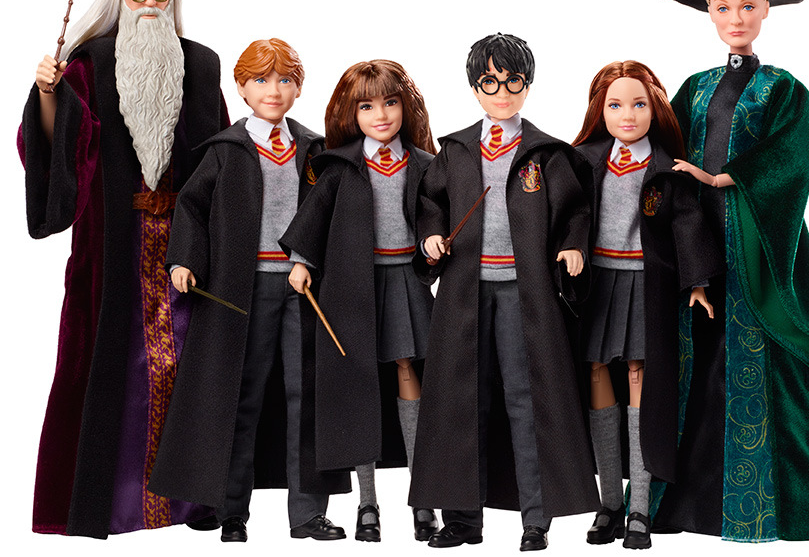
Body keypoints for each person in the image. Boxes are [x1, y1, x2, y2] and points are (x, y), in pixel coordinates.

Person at [17, 0, 228, 538]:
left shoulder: (201, 64)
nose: (151, 1)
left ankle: (193, 502)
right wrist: (49, 94)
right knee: (113, 367)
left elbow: (221, 154)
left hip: (187, 244)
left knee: (190, 367)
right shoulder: (87, 65)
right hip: (112, 246)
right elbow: (62, 147)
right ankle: (110, 505)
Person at [652, 0, 809, 541]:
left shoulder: (784, 89)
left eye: (746, 6)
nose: (735, 19)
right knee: (695, 360)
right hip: (695, 240)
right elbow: (663, 149)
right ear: (708, 12)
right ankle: (680, 507)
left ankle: (776, 507)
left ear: (766, 8)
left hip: (757, 240)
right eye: (722, 8)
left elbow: (792, 157)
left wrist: (725, 178)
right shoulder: (695, 86)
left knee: (765, 362)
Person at [147, 39, 349, 543]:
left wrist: (305, 259)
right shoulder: (227, 149)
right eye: (260, 80)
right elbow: (192, 206)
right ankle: (231, 508)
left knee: (307, 397)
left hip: (302, 288)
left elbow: (326, 214)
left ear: (298, 88)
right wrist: (184, 259)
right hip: (241, 289)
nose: (273, 91)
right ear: (241, 87)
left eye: (284, 80)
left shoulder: (313, 150)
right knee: (239, 395)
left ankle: (307, 514)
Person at [407, 33, 599, 552]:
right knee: (459, 402)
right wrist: (430, 237)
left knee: (528, 400)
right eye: (490, 82)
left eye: (513, 81)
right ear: (475, 88)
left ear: (527, 85)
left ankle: (536, 519)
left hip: (525, 292)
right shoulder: (455, 149)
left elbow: (575, 209)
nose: (503, 92)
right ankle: (462, 521)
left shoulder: (545, 153)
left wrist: (573, 244)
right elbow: (430, 203)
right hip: (464, 293)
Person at [281, 59, 439, 542]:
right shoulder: (339, 166)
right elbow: (314, 218)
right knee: (359, 388)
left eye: (391, 102)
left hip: (406, 281)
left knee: (410, 374)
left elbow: (435, 212)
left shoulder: (424, 164)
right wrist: (302, 261)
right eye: (367, 106)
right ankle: (367, 503)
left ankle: (423, 497)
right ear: (351, 113)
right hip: (354, 286)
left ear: (406, 106)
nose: (381, 115)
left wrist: (432, 241)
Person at [571, 61, 723, 550]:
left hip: (644, 283)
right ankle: (608, 503)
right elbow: (568, 214)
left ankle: (638, 507)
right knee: (596, 373)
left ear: (654, 108)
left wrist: (696, 282)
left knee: (640, 376)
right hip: (596, 283)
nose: (628, 115)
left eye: (638, 104)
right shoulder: (583, 160)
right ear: (600, 111)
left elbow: (686, 223)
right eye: (615, 105)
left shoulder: (665, 169)